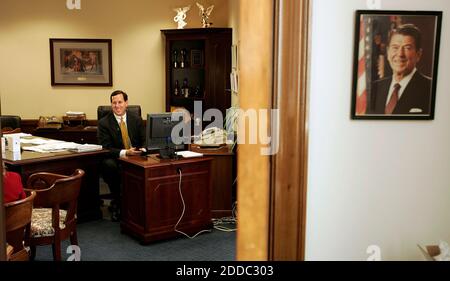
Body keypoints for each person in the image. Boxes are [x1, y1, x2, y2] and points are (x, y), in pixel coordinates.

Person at [98, 90, 145, 221]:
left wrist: (143, 149)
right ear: (111, 104)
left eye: (120, 102)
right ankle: (119, 203)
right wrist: (125, 152)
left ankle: (140, 205)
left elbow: (144, 139)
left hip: (136, 157)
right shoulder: (104, 123)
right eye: (114, 103)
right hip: (116, 158)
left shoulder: (136, 119)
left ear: (126, 103)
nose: (117, 106)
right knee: (108, 165)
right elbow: (105, 148)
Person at [371, 24, 432, 115]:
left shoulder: (430, 88)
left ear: (418, 54)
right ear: (388, 52)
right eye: (395, 47)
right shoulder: (375, 88)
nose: (400, 54)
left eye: (407, 48)